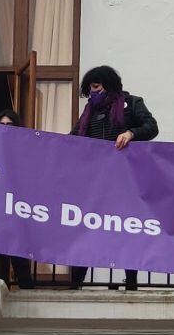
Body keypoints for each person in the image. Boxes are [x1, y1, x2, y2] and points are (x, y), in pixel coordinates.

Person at [68, 66, 159, 290]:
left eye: (96, 87)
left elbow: (151, 127)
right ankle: (76, 282)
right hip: (95, 182)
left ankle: (131, 281)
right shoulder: (89, 111)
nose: (92, 93)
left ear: (108, 85)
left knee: (127, 227)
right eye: (90, 89)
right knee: (87, 228)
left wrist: (131, 134)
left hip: (125, 180)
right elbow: (73, 138)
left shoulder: (133, 103)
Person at [0, 109, 34, 290]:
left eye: (10, 125)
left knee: (18, 251)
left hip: (17, 208)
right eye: (1, 125)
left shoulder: (25, 150)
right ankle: (2, 288)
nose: (5, 128)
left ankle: (27, 289)